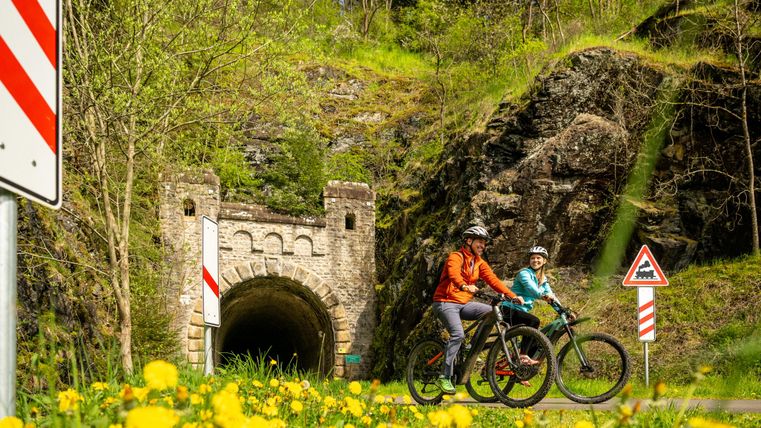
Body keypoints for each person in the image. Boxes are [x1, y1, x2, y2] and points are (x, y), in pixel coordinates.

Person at [431, 226, 524, 394]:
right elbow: (453, 274)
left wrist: (512, 296)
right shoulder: (455, 257)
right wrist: (464, 285)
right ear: (469, 241)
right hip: (445, 303)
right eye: (480, 242)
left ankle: (472, 347)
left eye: (484, 243)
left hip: (464, 303)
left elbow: (493, 280)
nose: (483, 245)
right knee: (458, 334)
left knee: (492, 312)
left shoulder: (479, 263)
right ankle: (444, 376)